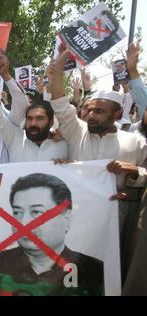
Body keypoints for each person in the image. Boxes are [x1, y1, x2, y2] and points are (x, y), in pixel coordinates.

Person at [49, 47, 147, 232]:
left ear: (117, 114)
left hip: (116, 222)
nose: (91, 115)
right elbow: (59, 102)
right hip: (76, 219)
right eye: (90, 110)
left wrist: (133, 171)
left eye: (99, 111)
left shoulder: (136, 143)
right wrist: (61, 62)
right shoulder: (78, 130)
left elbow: (143, 176)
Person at [0, 173, 104, 296]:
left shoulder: (92, 270)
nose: (23, 222)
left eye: (36, 212)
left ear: (66, 219)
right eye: (17, 212)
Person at [0, 53, 68, 163]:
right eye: (29, 118)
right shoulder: (15, 138)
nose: (33, 123)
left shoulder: (65, 142)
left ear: (51, 122)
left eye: (39, 118)